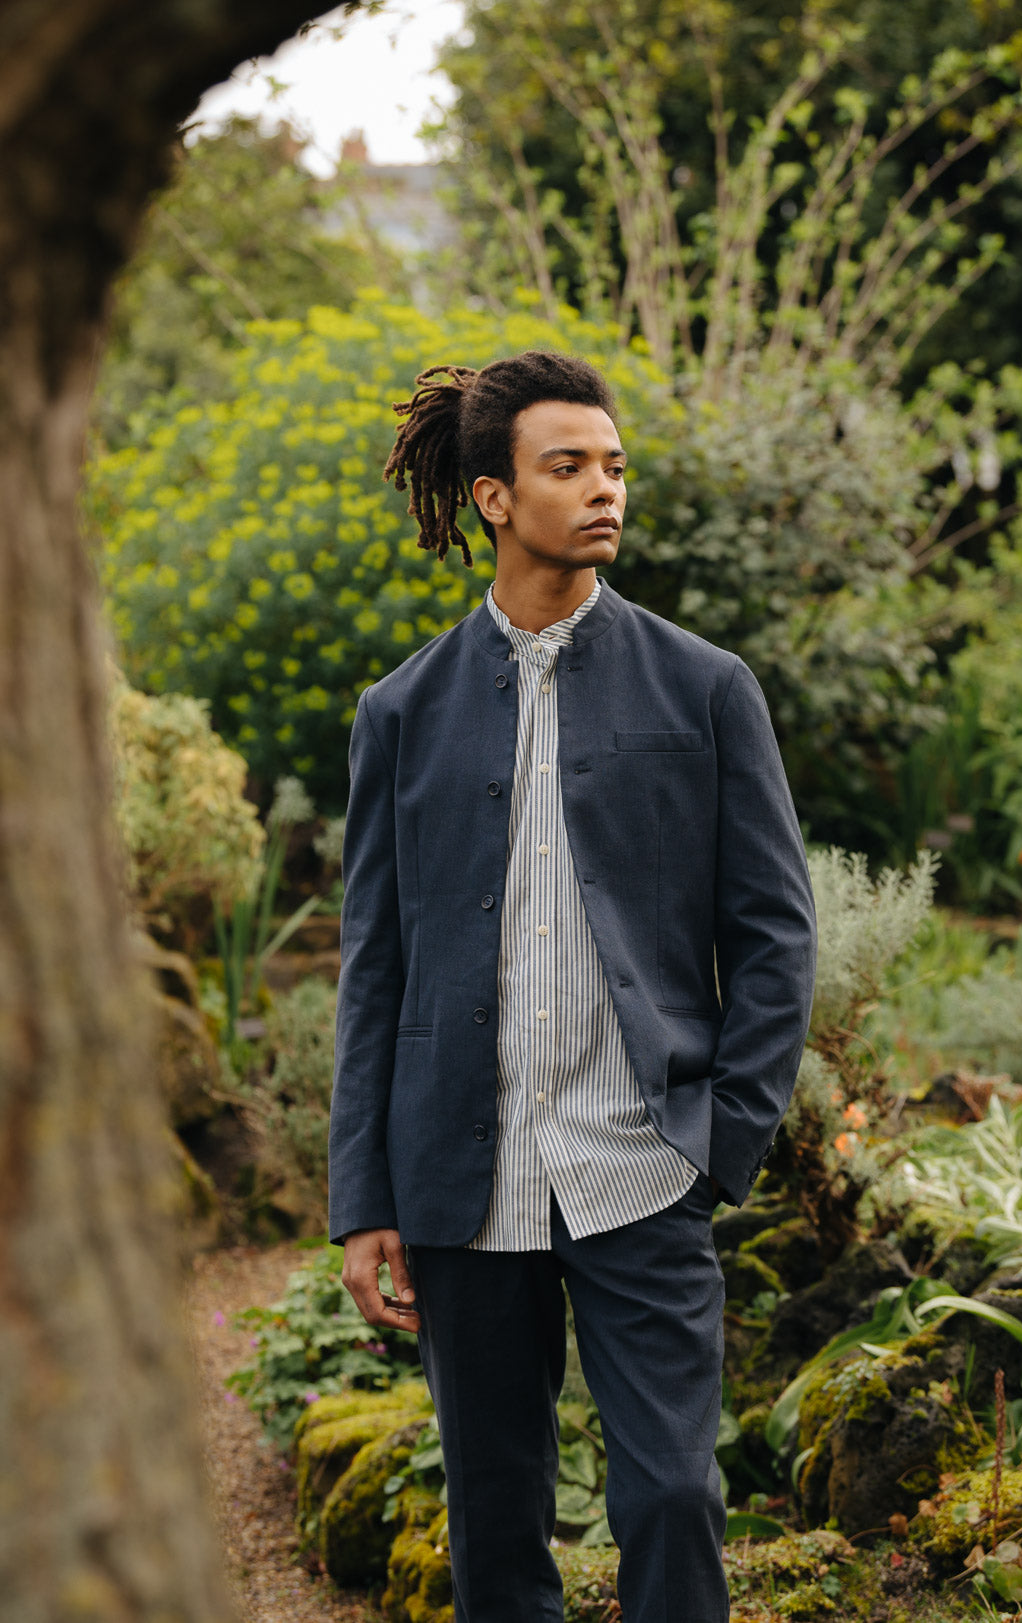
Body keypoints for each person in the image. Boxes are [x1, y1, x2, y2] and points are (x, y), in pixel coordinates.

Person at [329, 350, 817, 1623]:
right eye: (569, 467)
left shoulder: (705, 689)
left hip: (642, 1164)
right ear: (494, 497)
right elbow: (374, 967)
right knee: (496, 1520)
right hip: (460, 1179)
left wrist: (725, 1137)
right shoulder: (400, 712)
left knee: (669, 1498)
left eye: (613, 465)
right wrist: (362, 1199)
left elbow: (776, 934)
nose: (605, 489)